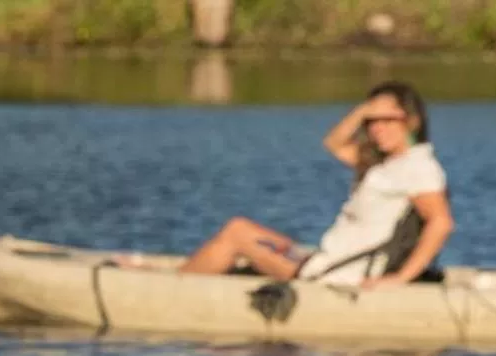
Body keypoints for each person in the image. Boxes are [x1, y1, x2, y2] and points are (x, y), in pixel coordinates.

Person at [177, 80, 454, 290]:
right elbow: (334, 143)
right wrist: (362, 111)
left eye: (388, 119)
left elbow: (440, 223)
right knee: (270, 238)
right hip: (329, 259)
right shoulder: (387, 164)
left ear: (412, 121)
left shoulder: (417, 167)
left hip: (341, 273)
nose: (377, 127)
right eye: (372, 121)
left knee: (237, 232)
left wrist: (399, 279)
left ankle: (176, 290)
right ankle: (187, 278)